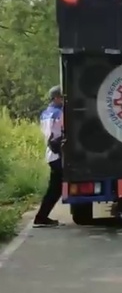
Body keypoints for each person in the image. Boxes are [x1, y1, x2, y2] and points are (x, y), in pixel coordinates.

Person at [35, 86, 64, 228]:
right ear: (56, 98)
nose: (63, 100)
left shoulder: (45, 113)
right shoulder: (59, 113)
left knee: (55, 188)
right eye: (62, 97)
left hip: (51, 153)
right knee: (54, 189)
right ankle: (41, 218)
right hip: (57, 153)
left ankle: (41, 217)